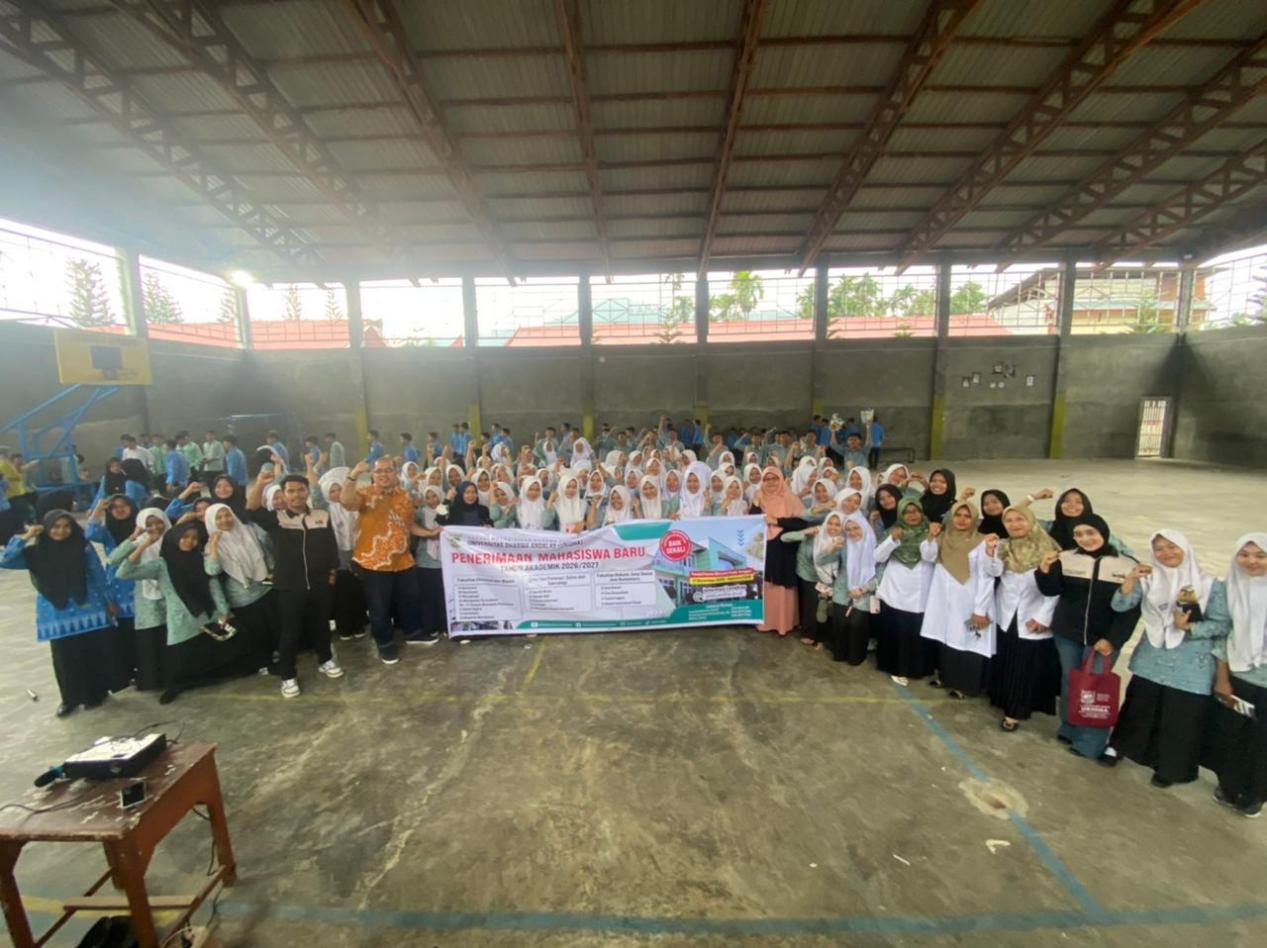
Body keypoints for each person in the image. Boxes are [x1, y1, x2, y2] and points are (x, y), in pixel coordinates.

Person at [1107, 530, 1226, 787]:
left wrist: (1191, 628)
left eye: (1172, 547)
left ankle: (1168, 768)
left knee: (1179, 717)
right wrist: (1129, 580)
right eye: (1159, 549)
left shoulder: (1209, 585)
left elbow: (1223, 624)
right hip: (1152, 656)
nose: (1166, 553)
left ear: (1185, 549)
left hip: (1190, 663)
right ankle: (1121, 748)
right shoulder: (1148, 579)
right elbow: (1121, 606)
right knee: (1139, 708)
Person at [118, 519, 265, 704]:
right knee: (181, 660)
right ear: (174, 538)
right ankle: (176, 686)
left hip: (208, 612)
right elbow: (124, 572)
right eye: (185, 537)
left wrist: (224, 610)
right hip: (182, 618)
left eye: (194, 538)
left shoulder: (199, 557)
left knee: (235, 647)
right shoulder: (162, 565)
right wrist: (144, 544)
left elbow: (213, 581)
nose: (190, 541)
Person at [1035, 514, 1141, 763]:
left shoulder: (1126, 564)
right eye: (1079, 534)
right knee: (1070, 681)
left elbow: (1131, 609)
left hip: (1103, 639)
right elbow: (1051, 590)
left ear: (1103, 532)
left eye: (1091, 533)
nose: (1085, 539)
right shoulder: (1067, 558)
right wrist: (1045, 569)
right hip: (1067, 634)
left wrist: (1113, 639)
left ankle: (1090, 742)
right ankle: (1069, 727)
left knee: (1094, 688)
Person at [2, 511, 125, 716]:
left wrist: (109, 600)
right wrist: (25, 537)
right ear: (46, 528)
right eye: (56, 526)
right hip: (57, 613)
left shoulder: (82, 546)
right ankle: (70, 699)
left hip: (88, 607)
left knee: (92, 651)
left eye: (66, 526)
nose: (61, 531)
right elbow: (5, 560)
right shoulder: (35, 552)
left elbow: (97, 573)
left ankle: (97, 693)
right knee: (65, 656)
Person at [246, 469, 345, 695]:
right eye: (291, 491)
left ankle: (326, 660)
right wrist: (260, 483)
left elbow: (331, 546)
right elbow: (251, 509)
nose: (297, 495)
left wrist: (331, 573)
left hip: (320, 584)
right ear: (284, 494)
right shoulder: (277, 519)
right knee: (290, 631)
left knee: (321, 625)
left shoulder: (321, 515)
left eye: (301, 490)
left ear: (307, 491)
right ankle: (288, 675)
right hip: (291, 586)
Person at [339, 458, 433, 663]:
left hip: (403, 560)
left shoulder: (405, 496)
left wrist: (429, 533)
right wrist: (353, 474)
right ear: (373, 474)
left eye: (388, 471)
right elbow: (346, 501)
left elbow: (408, 526)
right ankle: (384, 644)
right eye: (379, 471)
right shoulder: (365, 493)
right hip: (375, 562)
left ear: (396, 473)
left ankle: (413, 633)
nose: (383, 475)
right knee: (379, 606)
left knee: (410, 599)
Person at [1207, 533, 1267, 818]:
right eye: (1245, 555)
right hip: (1240, 675)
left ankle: (1256, 795)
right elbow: (1222, 635)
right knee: (1232, 735)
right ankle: (1229, 786)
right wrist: (1222, 677)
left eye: (1260, 555)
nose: (1251, 561)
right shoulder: (1228, 588)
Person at [988, 505, 1062, 732]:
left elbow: (1057, 589)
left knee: (1025, 665)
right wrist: (991, 553)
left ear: (1031, 521)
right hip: (1006, 612)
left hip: (1033, 615)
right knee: (1006, 659)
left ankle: (1016, 711)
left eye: (1020, 519)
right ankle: (1003, 700)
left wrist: (1043, 617)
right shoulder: (1003, 546)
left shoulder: (1049, 549)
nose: (1014, 524)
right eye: (1009, 521)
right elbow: (994, 573)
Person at [919, 501, 1001, 699]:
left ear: (974, 519)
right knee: (947, 639)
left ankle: (965, 685)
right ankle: (947, 677)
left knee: (969, 641)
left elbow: (989, 575)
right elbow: (928, 556)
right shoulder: (942, 537)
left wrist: (980, 610)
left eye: (967, 516)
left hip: (971, 602)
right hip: (944, 600)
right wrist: (931, 536)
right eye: (958, 515)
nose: (962, 520)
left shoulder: (983, 542)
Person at [204, 502, 277, 671]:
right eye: (219, 518)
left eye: (227, 515)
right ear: (211, 521)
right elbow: (212, 571)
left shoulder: (247, 531)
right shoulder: (211, 546)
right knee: (256, 632)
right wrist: (214, 545)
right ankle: (265, 664)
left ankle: (276, 655)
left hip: (264, 588)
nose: (225, 520)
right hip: (242, 598)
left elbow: (267, 556)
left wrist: (271, 580)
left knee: (272, 625)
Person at [106, 507, 170, 691]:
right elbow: (113, 560)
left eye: (158, 522)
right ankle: (153, 680)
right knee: (151, 637)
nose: (155, 527)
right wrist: (136, 539)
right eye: (149, 524)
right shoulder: (138, 542)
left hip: (171, 595)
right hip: (147, 597)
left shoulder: (172, 538)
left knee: (170, 634)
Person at [874, 498, 935, 685]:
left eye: (916, 511)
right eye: (907, 512)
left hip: (921, 590)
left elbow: (931, 557)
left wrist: (931, 538)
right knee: (898, 630)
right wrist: (893, 540)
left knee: (917, 630)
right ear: (901, 514)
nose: (912, 515)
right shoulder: (892, 531)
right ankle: (896, 667)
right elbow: (877, 556)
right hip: (896, 590)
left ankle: (918, 668)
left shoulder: (930, 532)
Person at [751, 467, 805, 637]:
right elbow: (751, 523)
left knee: (783, 587)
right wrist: (756, 503)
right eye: (767, 479)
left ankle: (784, 623)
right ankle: (765, 622)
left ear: (781, 479)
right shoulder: (760, 498)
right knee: (766, 585)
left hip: (784, 550)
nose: (771, 482)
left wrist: (776, 521)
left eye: (775, 478)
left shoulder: (789, 498)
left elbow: (802, 523)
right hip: (764, 550)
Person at [316, 466, 368, 642]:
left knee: (357, 592)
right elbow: (315, 493)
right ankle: (344, 627)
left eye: (339, 489)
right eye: (332, 491)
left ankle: (360, 624)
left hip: (357, 555)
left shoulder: (353, 507)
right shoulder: (324, 512)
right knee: (341, 595)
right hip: (337, 559)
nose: (337, 494)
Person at [413, 485, 448, 638]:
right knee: (428, 596)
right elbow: (411, 528)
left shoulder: (447, 511)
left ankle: (444, 626)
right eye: (428, 497)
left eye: (435, 496)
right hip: (425, 560)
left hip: (445, 559)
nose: (432, 500)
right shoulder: (420, 513)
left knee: (443, 595)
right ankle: (430, 627)